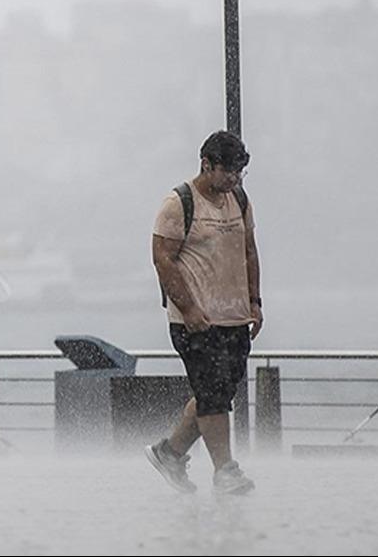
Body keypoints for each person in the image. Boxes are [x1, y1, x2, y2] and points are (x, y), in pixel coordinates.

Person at [147, 130, 262, 495]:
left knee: (217, 392)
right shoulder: (179, 203)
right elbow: (162, 260)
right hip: (193, 320)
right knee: (212, 391)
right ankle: (225, 471)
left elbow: (249, 252)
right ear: (206, 164)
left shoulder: (239, 200)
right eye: (227, 172)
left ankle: (170, 453)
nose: (233, 180)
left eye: (239, 173)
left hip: (235, 316)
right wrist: (190, 308)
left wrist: (255, 302)